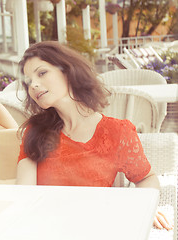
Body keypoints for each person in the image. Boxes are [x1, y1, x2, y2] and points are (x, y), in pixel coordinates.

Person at [15, 41, 172, 230]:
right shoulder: (35, 132)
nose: (33, 85)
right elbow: (25, 195)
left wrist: (147, 206)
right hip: (47, 228)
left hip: (98, 227)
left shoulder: (117, 132)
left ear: (67, 70)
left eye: (42, 73)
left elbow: (146, 178)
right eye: (28, 81)